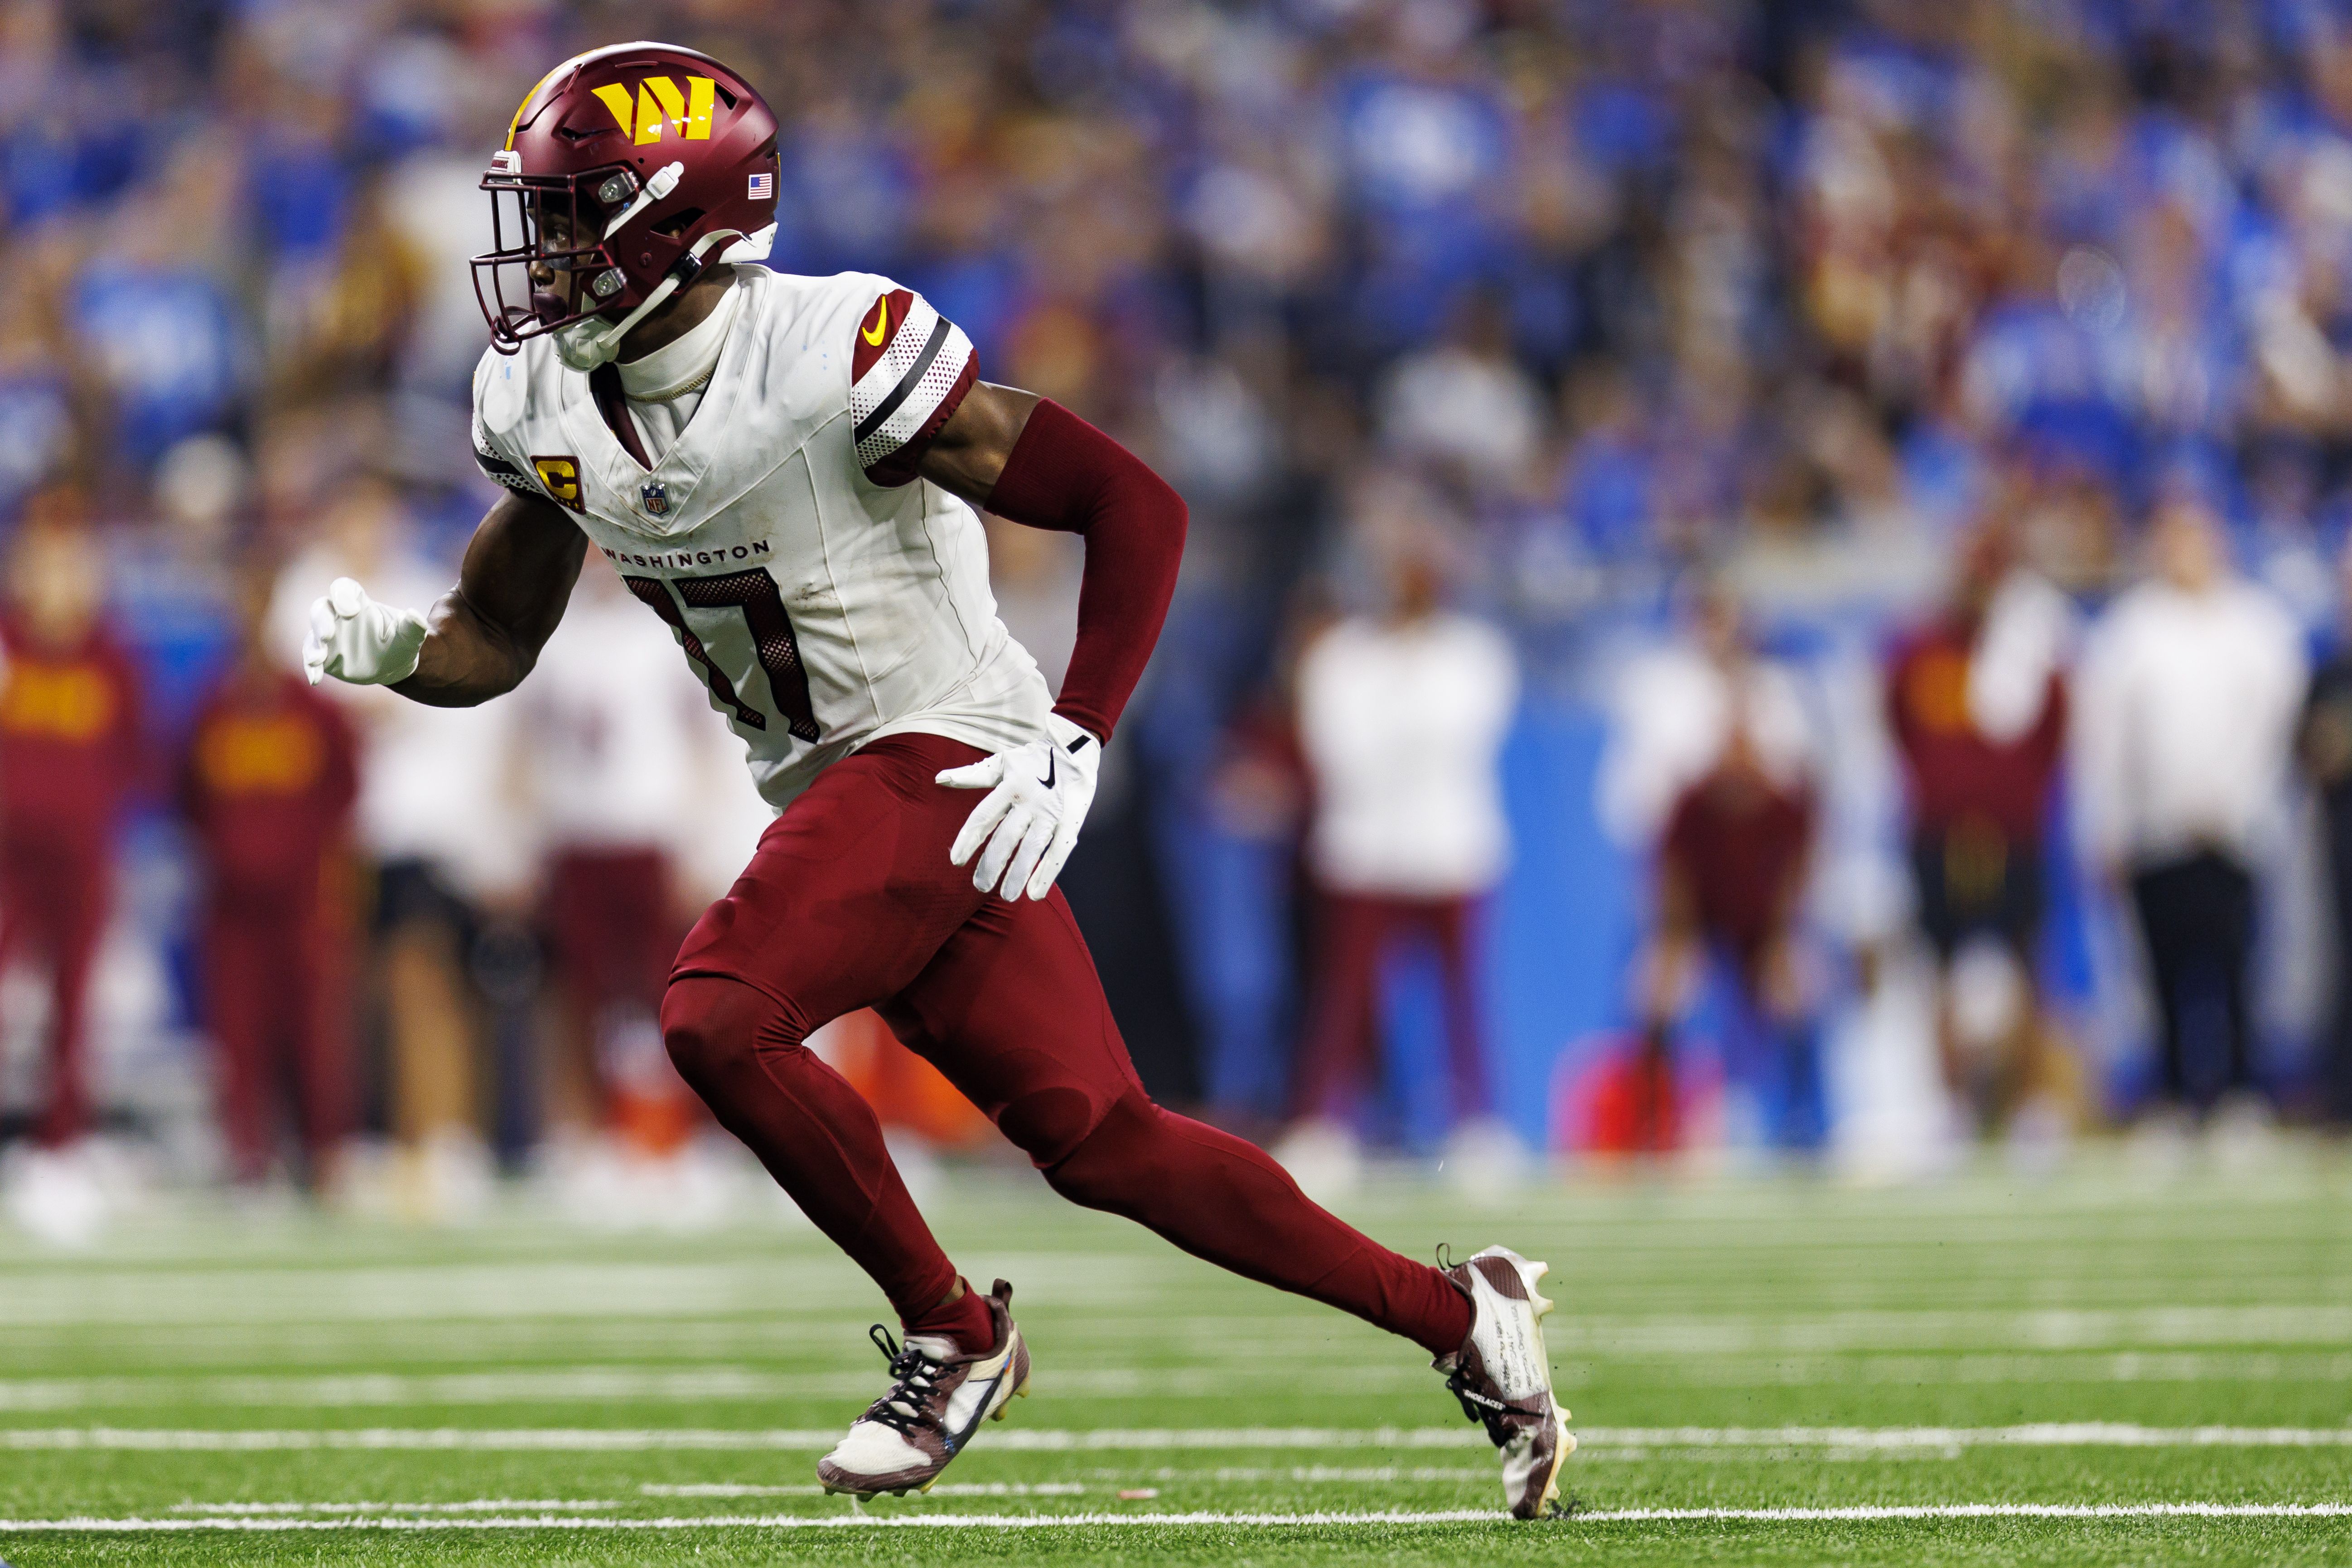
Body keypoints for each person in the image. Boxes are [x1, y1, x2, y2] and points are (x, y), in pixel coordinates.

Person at [299, 43, 1571, 1519]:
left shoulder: (833, 349)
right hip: (835, 793)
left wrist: (1077, 732)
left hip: (947, 752)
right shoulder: (539, 396)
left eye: (577, 216)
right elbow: (500, 635)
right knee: (1107, 1144)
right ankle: (1465, 1316)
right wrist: (405, 651)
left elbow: (1129, 503)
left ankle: (956, 1333)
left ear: (682, 222)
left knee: (718, 1014)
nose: (545, 255)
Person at [1285, 546, 1520, 1185]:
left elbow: (1464, 735)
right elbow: (1339, 747)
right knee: (1345, 995)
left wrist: (1405, 707)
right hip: (1366, 847)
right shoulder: (1342, 657)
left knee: (1462, 994)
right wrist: (1401, 704)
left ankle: (1477, 1127)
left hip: (1450, 847)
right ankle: (1323, 1125)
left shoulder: (1474, 653)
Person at [2076, 501, 2307, 1126]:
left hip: (2235, 830)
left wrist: (2235, 802)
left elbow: (2273, 730)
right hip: (2158, 831)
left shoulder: (2257, 626)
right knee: (2163, 970)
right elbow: (2107, 740)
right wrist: (2112, 822)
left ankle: (2238, 1094)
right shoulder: (2130, 631)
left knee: (2236, 969)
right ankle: (2173, 1097)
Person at [1884, 521, 2072, 1136]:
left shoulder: (2028, 652)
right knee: (1936, 969)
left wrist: (2014, 800)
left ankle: (2028, 1110)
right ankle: (1949, 1109)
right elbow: (1899, 728)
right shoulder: (1920, 653)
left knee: (2027, 967)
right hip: (1939, 833)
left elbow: (2054, 733)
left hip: (2013, 833)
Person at [180, 565, 359, 1192]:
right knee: (239, 1036)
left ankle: (322, 1154)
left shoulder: (312, 709)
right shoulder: (213, 706)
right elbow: (190, 799)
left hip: (302, 900)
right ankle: (247, 1157)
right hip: (232, 906)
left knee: (312, 1033)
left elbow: (343, 797)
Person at [0, 507, 141, 1244]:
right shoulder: (8, 646)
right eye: (45, 563)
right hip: (7, 856)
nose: (59, 581)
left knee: (73, 1011)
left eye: (73, 564)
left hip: (82, 857)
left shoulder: (111, 657)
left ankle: (59, 1152)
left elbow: (130, 757)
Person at [2296, 538, 2352, 1132]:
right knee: (2344, 964)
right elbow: (2311, 753)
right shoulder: (2330, 671)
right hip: (2343, 839)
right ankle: (2342, 1097)